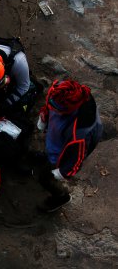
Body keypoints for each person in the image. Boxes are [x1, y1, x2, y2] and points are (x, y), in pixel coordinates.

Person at [36, 80, 103, 212]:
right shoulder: (62, 92)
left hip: (69, 145)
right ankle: (48, 156)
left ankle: (61, 197)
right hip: (61, 134)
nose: (52, 107)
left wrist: (58, 173)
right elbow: (50, 104)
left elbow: (75, 162)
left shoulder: (81, 134)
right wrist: (44, 117)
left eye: (56, 108)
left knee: (45, 178)